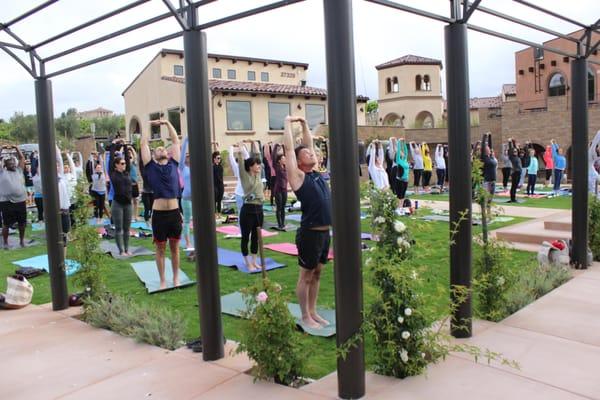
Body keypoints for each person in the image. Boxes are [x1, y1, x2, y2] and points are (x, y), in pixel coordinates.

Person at [283, 115, 331, 329]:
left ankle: (313, 311)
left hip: (324, 233)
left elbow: (308, 143)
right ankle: (304, 316)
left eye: (312, 152)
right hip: (310, 233)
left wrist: (304, 124)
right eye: (306, 153)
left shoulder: (317, 174)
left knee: (318, 273)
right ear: (299, 161)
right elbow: (288, 150)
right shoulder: (298, 177)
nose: (311, 152)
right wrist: (287, 123)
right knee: (306, 275)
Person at [140, 119, 182, 289]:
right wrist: (149, 124)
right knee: (160, 249)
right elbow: (143, 143)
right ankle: (163, 280)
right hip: (158, 215)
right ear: (154, 155)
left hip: (174, 213)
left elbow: (175, 140)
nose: (161, 149)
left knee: (175, 248)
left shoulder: (174, 163)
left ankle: (176, 278)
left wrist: (166, 122)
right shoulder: (150, 167)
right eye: (157, 149)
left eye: (163, 148)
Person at [237, 141, 264, 271]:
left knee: (256, 237)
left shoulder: (258, 174)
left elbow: (259, 155)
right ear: (250, 167)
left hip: (259, 209)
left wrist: (254, 143)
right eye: (255, 164)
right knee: (245, 237)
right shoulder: (244, 176)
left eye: (258, 164)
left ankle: (254, 261)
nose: (258, 166)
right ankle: (247, 262)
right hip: (247, 210)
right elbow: (241, 161)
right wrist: (240, 146)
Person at [108, 140, 133, 256]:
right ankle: (121, 251)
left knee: (127, 229)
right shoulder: (112, 173)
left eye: (124, 163)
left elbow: (127, 159)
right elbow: (111, 161)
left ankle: (127, 249)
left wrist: (125, 145)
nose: (124, 164)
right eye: (122, 163)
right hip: (117, 204)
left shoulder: (127, 173)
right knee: (119, 229)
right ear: (116, 165)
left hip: (128, 204)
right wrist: (113, 145)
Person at [0, 145, 27, 249]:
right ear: (5, 165)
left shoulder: (19, 170)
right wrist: (2, 149)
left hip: (21, 201)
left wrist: (16, 148)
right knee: (6, 224)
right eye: (10, 163)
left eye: (13, 163)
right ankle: (6, 243)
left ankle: (21, 241)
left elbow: (22, 158)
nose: (13, 164)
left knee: (22, 223)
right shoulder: (2, 172)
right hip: (6, 202)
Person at [229, 142, 250, 224]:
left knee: (247, 213)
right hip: (239, 194)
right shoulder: (237, 168)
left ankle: (247, 230)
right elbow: (231, 158)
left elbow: (247, 156)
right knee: (241, 213)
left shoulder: (247, 167)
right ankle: (241, 230)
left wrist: (240, 147)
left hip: (246, 193)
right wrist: (232, 147)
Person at [179, 136, 193, 250]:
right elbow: (182, 153)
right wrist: (186, 141)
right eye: (187, 156)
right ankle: (188, 243)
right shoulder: (183, 167)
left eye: (190, 155)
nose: (188, 156)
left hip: (197, 199)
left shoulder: (196, 166)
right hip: (187, 198)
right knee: (187, 221)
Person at [272, 144, 288, 230]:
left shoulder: (285, 167)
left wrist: (284, 147)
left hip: (284, 189)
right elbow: (273, 157)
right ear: (279, 161)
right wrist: (275, 147)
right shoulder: (277, 166)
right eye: (283, 159)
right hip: (278, 189)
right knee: (279, 207)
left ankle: (283, 223)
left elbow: (287, 156)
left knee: (283, 207)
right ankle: (279, 224)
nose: (284, 160)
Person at [507, 138, 522, 203]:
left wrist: (514, 141)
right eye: (514, 151)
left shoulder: (517, 156)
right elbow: (510, 149)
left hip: (519, 173)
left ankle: (514, 198)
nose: (515, 152)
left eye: (516, 151)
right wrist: (510, 142)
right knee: (513, 186)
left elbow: (516, 148)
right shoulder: (511, 156)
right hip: (515, 173)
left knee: (515, 186)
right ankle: (512, 199)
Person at [213, 151, 225, 216]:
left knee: (220, 200)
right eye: (218, 158)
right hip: (215, 185)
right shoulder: (212, 167)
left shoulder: (221, 167)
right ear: (214, 159)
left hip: (220, 185)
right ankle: (214, 213)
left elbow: (221, 176)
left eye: (220, 158)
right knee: (214, 200)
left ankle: (219, 213)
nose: (219, 159)